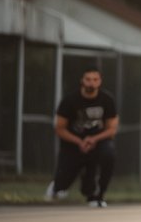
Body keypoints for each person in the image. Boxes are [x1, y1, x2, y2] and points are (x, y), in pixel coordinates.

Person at [45, 66, 119, 207]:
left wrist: (94, 139)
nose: (91, 83)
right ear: (82, 80)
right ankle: (56, 186)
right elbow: (59, 128)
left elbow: (112, 129)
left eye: (95, 79)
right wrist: (79, 141)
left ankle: (98, 195)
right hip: (73, 142)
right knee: (62, 184)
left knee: (109, 153)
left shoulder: (107, 100)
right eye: (88, 79)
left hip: (97, 141)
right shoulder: (70, 100)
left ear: (100, 81)